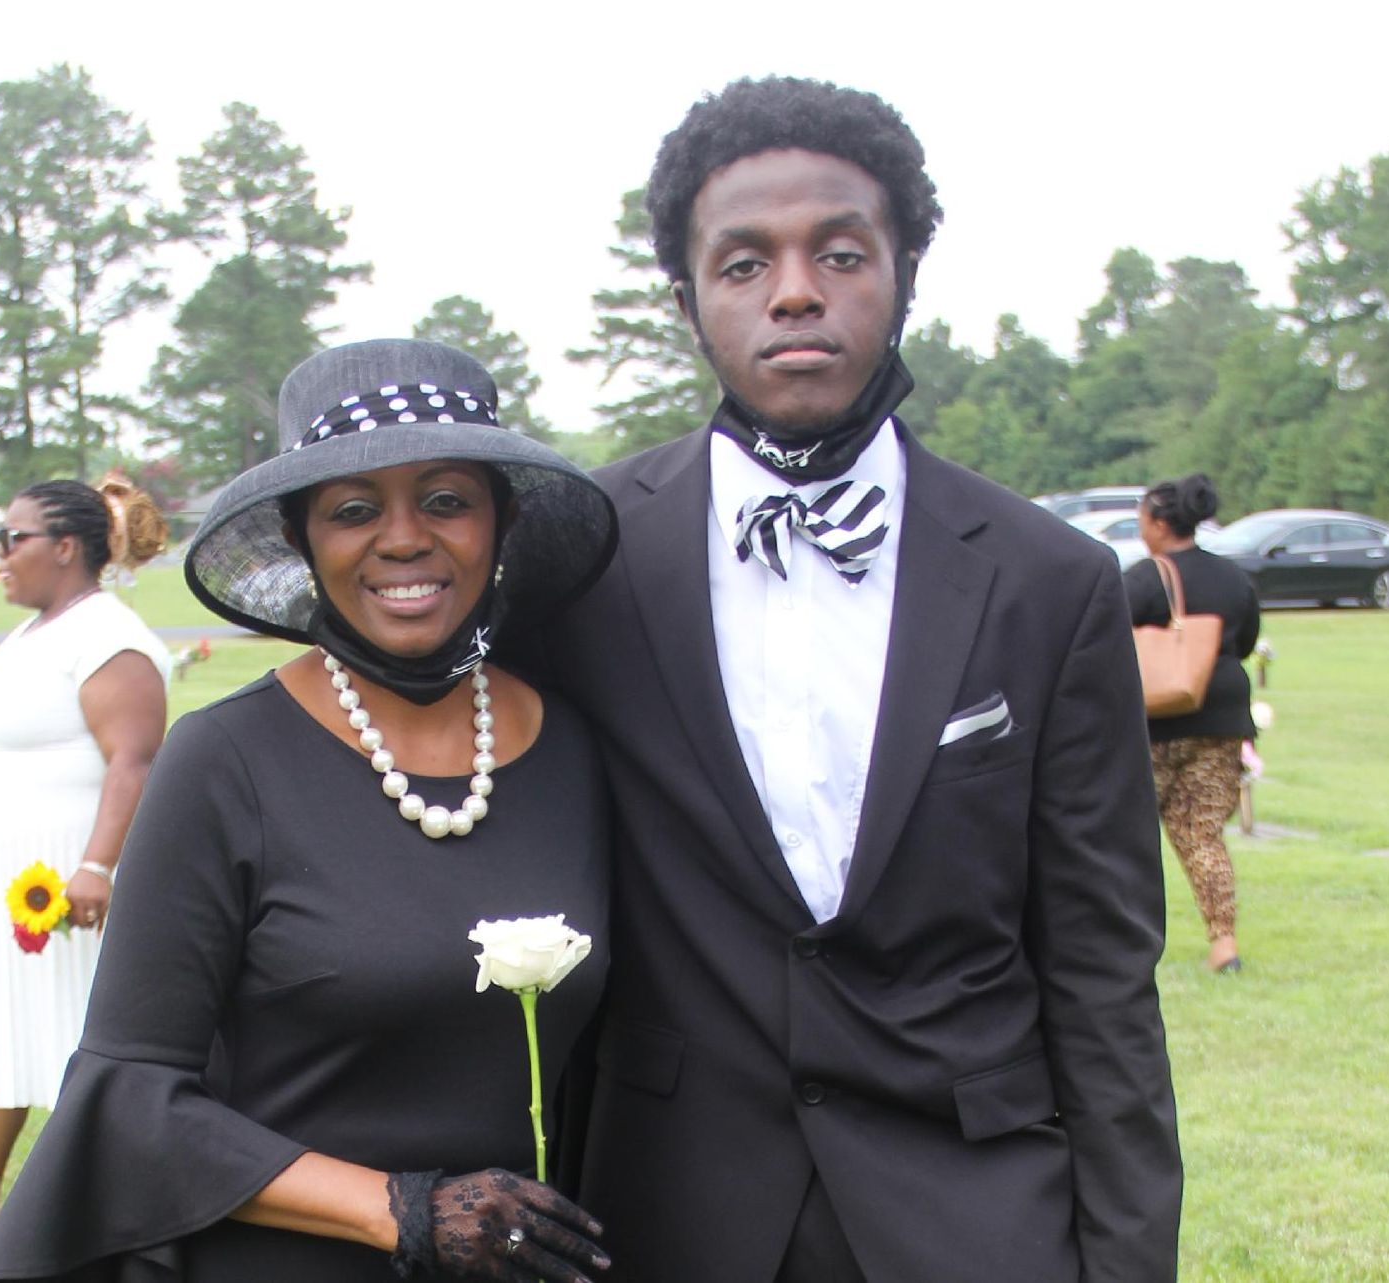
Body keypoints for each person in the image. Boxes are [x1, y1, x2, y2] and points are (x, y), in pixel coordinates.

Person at [532, 78, 1182, 1282]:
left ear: (906, 271)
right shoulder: (581, 561)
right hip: (667, 1205)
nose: (794, 291)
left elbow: (1102, 972)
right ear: (686, 300)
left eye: (839, 252)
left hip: (976, 1206)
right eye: (743, 263)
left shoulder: (1049, 582)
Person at [0, 339, 619, 1282]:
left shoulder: (573, 753)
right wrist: (406, 1211)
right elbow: (131, 1095)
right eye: (354, 510)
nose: (403, 538)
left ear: (500, 521)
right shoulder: (223, 761)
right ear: (302, 536)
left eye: (445, 499)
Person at [0, 475, 173, 1240]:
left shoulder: (109, 637)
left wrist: (97, 867)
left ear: (67, 547)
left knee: (77, 1037)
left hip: (64, 881)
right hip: (1, 876)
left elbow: (135, 761)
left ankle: (114, 1211)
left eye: (12, 540)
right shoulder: (36, 631)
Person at [1124, 473, 1261, 973]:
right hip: (1221, 720)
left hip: (1154, 727)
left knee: (1127, 836)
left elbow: (1107, 639)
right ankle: (1223, 942)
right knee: (1202, 834)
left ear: (1160, 523)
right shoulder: (1232, 578)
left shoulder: (1143, 578)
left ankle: (1125, 942)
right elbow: (1244, 644)